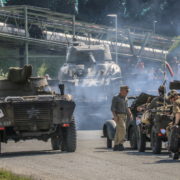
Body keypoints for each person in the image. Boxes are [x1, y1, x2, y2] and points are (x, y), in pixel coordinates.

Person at [111, 85, 133, 151]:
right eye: (126, 91)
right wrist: (115, 116)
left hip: (125, 116)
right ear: (121, 91)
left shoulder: (125, 98)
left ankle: (116, 145)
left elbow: (127, 107)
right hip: (119, 116)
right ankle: (120, 143)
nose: (127, 92)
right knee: (123, 130)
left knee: (119, 131)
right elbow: (112, 108)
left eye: (128, 91)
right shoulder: (116, 98)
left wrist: (130, 114)